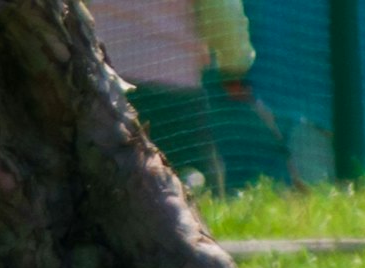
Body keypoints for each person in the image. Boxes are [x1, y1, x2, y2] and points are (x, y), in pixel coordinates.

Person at [89, 0, 260, 194]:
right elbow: (222, 13)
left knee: (102, 191)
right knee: (195, 195)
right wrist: (233, 66)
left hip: (105, 83)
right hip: (174, 91)